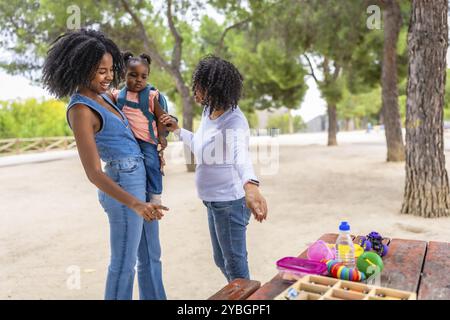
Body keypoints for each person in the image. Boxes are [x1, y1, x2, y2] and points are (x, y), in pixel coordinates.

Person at [42, 29, 168, 300]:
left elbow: (141, 103)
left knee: (151, 257)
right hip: (122, 185)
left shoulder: (107, 96)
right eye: (101, 71)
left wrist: (158, 141)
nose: (109, 76)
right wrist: (136, 203)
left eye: (111, 70)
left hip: (140, 177)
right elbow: (93, 173)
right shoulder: (81, 110)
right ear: (81, 68)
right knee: (124, 263)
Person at [160, 55, 268, 282]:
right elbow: (201, 146)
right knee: (222, 260)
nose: (195, 90)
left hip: (229, 203)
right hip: (213, 202)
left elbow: (241, 155)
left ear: (213, 87)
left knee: (236, 268)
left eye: (199, 86)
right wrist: (178, 130)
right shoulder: (209, 111)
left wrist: (251, 184)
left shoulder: (234, 121)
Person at [109, 51, 176, 207]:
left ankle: (155, 195)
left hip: (146, 140)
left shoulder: (151, 96)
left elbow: (161, 117)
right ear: (124, 74)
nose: (138, 80)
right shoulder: (118, 95)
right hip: (129, 140)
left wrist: (162, 136)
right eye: (133, 75)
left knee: (152, 164)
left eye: (143, 77)